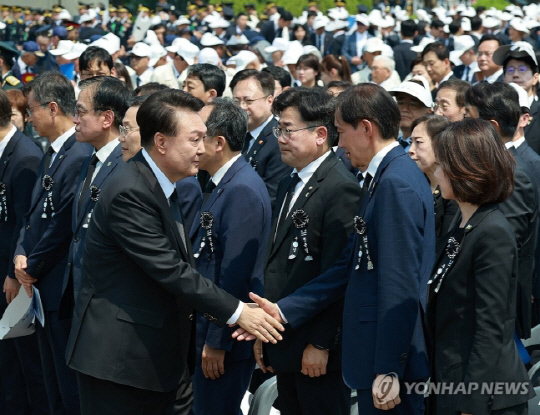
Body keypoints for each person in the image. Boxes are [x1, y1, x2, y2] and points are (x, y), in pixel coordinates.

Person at [65, 90, 284, 415]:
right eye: (194, 139)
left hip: (155, 357)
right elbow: (171, 270)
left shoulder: (166, 186)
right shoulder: (131, 191)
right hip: (121, 361)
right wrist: (240, 312)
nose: (201, 148)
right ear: (162, 142)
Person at [237, 84, 436, 415]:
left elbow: (400, 286)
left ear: (366, 128)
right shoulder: (383, 177)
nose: (339, 142)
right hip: (372, 356)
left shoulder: (395, 182)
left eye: (342, 132)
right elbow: (349, 266)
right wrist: (283, 310)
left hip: (386, 362)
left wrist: (388, 368)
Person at [256, 87, 361, 415]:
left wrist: (321, 342)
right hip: (283, 336)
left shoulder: (340, 188)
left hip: (315, 350)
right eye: (279, 129)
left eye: (288, 129)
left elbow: (338, 275)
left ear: (320, 134)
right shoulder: (290, 182)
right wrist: (265, 329)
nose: (281, 138)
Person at [427, 118, 534, 415]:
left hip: (484, 395)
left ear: (465, 170)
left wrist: (471, 401)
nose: (436, 173)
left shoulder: (493, 232)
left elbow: (491, 325)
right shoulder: (460, 221)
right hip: (450, 381)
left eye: (443, 164)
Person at [15, 72, 93, 415]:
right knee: (50, 383)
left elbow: (62, 224)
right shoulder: (54, 152)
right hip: (39, 281)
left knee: (66, 385)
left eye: (32, 110)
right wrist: (20, 251)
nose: (29, 118)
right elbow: (32, 214)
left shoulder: (77, 155)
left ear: (51, 108)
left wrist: (31, 266)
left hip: (57, 281)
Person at [190, 99, 272, 415]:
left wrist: (217, 340)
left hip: (221, 339)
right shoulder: (222, 183)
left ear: (219, 142)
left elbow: (235, 276)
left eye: (199, 137)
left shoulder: (242, 189)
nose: (194, 146)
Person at [466, 82, 539, 340]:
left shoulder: (513, 174)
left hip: (493, 312)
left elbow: (503, 252)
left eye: (468, 119)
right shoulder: (491, 167)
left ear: (491, 127)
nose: (460, 127)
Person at [59, 76, 130, 319]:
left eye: (80, 112)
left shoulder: (125, 167)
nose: (74, 120)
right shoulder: (90, 159)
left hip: (107, 304)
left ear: (107, 118)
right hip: (81, 293)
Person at [0, 88, 49, 415]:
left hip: (16, 277)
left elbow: (25, 224)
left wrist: (11, 275)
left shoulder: (26, 155)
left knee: (22, 360)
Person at [230, 69, 292, 209]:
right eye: (236, 101)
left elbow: (271, 197)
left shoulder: (279, 139)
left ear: (270, 100)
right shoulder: (234, 134)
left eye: (248, 101)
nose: (241, 107)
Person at [408, 114, 457, 246]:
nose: (411, 150)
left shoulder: (454, 194)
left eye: (418, 142)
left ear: (440, 144)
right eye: (410, 142)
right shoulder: (412, 185)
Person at [493, 41, 540, 155]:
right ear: (503, 77)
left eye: (522, 69)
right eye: (510, 70)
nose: (515, 75)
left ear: (535, 77)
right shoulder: (494, 112)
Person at [389, 77, 433, 151]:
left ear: (429, 110)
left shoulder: (431, 147)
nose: (405, 109)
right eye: (401, 103)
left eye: (413, 104)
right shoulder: (394, 144)